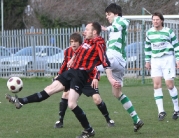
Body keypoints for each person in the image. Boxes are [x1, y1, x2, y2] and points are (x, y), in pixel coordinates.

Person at [5, 22, 120, 138]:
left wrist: (110, 78)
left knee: (71, 104)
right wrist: (73, 59)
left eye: (87, 29)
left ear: (94, 32)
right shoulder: (87, 41)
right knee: (49, 89)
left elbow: (105, 62)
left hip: (80, 75)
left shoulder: (99, 44)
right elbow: (79, 51)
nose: (84, 32)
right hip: (71, 71)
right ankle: (20, 101)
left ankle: (89, 130)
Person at [54, 32, 115, 128]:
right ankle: (60, 120)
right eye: (71, 42)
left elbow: (95, 66)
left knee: (97, 99)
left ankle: (108, 119)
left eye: (76, 42)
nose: (73, 44)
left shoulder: (87, 50)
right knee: (65, 94)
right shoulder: (67, 52)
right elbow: (65, 64)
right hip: (74, 78)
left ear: (80, 43)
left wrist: (96, 78)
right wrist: (59, 75)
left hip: (87, 79)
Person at [101, 3, 144, 132]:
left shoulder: (119, 20)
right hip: (119, 64)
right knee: (117, 93)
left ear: (116, 14)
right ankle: (136, 119)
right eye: (106, 15)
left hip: (115, 57)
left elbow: (124, 22)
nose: (107, 17)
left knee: (93, 64)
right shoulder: (114, 27)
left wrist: (106, 29)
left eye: (109, 14)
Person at [145, 12, 179, 121]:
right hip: (155, 60)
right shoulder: (149, 32)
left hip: (167, 59)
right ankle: (161, 111)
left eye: (157, 19)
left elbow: (176, 46)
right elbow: (147, 47)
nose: (155, 21)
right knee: (156, 85)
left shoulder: (168, 31)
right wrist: (147, 61)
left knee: (169, 85)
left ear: (162, 21)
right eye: (153, 20)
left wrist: (178, 59)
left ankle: (177, 109)